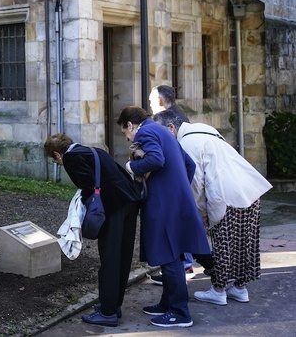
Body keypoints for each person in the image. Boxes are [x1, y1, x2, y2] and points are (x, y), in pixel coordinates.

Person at [153, 109, 273, 306]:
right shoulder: (203, 130)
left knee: (224, 244)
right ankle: (239, 289)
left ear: (171, 128)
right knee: (243, 243)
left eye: (160, 133)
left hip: (226, 193)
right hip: (248, 187)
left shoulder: (185, 144)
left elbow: (196, 184)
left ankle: (219, 291)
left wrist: (201, 213)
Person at [116, 106, 210, 328]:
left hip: (163, 204)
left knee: (169, 257)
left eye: (125, 132)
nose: (128, 137)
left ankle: (179, 312)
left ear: (130, 125)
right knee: (174, 255)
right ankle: (168, 304)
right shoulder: (162, 131)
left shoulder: (146, 132)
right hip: (175, 200)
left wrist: (132, 166)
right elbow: (189, 164)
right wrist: (177, 188)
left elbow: (156, 160)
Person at [45, 133, 142, 328]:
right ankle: (114, 305)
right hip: (129, 202)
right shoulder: (93, 150)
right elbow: (119, 173)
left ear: (57, 154)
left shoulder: (72, 158)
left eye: (55, 160)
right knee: (122, 257)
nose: (59, 164)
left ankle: (107, 313)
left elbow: (87, 186)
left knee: (109, 259)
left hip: (113, 207)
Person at [148, 84, 193, 282]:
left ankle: (181, 267)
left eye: (151, 101)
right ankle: (184, 264)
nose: (150, 105)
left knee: (179, 229)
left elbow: (181, 158)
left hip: (176, 183)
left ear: (159, 101)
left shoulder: (166, 121)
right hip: (180, 182)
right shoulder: (177, 115)